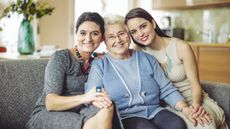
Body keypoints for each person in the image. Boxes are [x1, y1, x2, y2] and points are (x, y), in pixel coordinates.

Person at [84, 14, 201, 129]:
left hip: (154, 110)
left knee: (178, 125)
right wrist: (102, 96)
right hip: (125, 115)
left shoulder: (147, 59)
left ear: (129, 35)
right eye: (111, 37)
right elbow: (93, 91)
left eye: (121, 34)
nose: (118, 40)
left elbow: (166, 88)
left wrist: (185, 109)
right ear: (104, 41)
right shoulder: (100, 64)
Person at [124, 7, 228, 129]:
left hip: (195, 101)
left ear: (153, 23)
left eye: (143, 26)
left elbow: (195, 84)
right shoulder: (138, 53)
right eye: (134, 31)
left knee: (202, 124)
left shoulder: (181, 47)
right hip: (166, 107)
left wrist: (195, 108)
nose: (140, 34)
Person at [25, 12, 115, 129]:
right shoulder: (61, 57)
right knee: (83, 122)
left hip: (80, 111)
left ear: (102, 37)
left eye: (95, 33)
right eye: (83, 33)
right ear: (76, 34)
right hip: (48, 114)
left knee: (107, 106)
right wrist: (86, 97)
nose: (88, 39)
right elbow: (50, 103)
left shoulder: (97, 62)